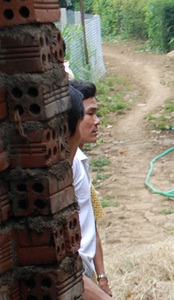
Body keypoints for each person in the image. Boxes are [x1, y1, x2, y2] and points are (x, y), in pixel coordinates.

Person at [67, 85, 110, 300]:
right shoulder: (68, 166)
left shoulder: (79, 160)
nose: (97, 121)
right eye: (90, 113)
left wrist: (101, 275)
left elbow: (91, 219)